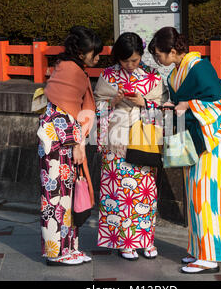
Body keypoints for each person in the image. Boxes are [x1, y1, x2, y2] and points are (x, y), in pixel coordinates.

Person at [149, 26, 221, 274]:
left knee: (207, 196)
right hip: (194, 136)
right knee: (195, 196)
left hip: (211, 138)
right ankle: (198, 251)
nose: (158, 60)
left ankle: (209, 256)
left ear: (173, 51)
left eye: (158, 55)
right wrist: (173, 105)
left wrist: (187, 103)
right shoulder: (178, 71)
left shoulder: (200, 67)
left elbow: (219, 102)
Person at [94, 32, 168, 260]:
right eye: (125, 61)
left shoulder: (152, 76)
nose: (129, 65)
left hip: (142, 138)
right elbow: (96, 104)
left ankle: (146, 239)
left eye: (134, 60)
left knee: (144, 194)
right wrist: (112, 102)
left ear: (141, 56)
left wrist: (143, 102)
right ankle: (124, 240)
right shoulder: (107, 76)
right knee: (119, 194)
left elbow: (164, 104)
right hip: (116, 139)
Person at [37, 26, 102, 266]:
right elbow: (64, 111)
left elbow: (65, 108)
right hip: (59, 142)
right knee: (56, 198)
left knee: (68, 196)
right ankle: (56, 253)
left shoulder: (67, 67)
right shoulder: (73, 72)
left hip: (59, 139)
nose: (97, 58)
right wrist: (76, 142)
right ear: (82, 52)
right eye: (95, 53)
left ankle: (70, 247)